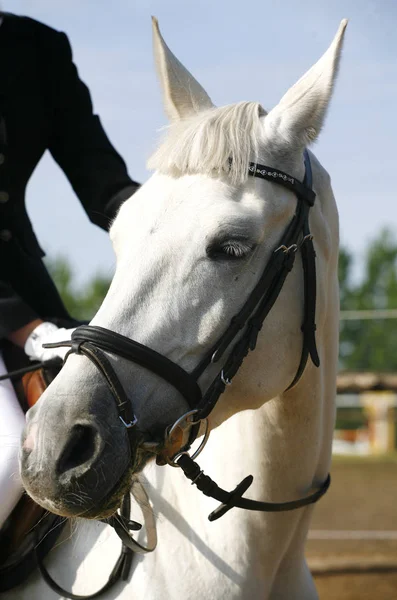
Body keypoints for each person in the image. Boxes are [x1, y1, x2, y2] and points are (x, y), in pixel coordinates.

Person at [0, 11, 139, 528]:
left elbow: (96, 169)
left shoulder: (37, 47)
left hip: (24, 285)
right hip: (18, 314)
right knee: (14, 450)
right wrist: (27, 329)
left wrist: (167, 224)